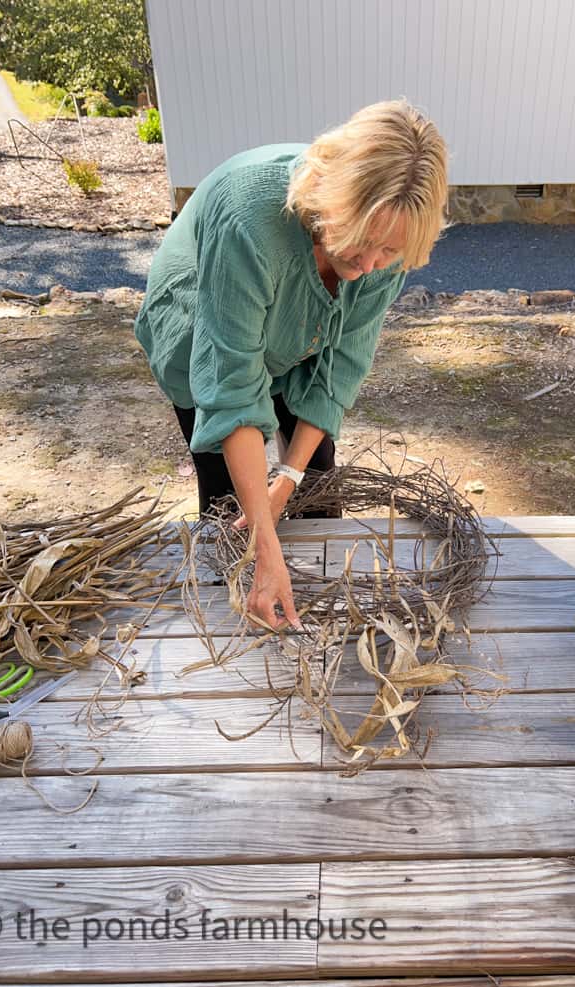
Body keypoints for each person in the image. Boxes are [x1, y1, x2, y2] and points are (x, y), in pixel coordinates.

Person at [134, 98, 448, 632]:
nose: (369, 267)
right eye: (362, 244)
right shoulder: (250, 222)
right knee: (231, 500)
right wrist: (264, 545)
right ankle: (234, 615)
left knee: (312, 487)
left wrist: (289, 476)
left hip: (301, 326)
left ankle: (297, 594)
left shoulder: (388, 242)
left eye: (388, 254)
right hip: (202, 318)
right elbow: (231, 388)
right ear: (332, 201)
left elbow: (340, 368)